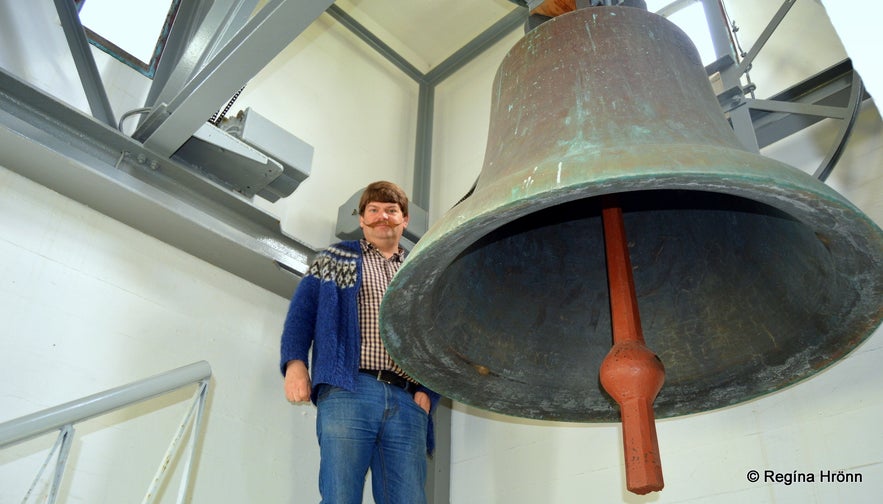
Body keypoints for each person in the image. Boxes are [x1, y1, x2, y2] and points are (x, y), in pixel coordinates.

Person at [280, 180, 440, 504]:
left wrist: (429, 391)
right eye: (374, 210)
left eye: (391, 211)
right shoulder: (336, 259)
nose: (383, 216)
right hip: (349, 390)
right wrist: (295, 365)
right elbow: (301, 315)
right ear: (362, 220)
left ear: (404, 220)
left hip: (408, 401)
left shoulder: (419, 270)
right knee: (340, 497)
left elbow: (435, 334)